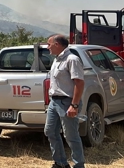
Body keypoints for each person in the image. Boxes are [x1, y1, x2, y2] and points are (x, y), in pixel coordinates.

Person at [44, 34, 85, 168]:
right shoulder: (56, 60)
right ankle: (60, 163)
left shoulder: (72, 59)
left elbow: (79, 83)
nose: (47, 47)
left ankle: (79, 165)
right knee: (50, 131)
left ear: (57, 44)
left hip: (67, 102)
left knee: (71, 136)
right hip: (54, 102)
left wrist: (74, 105)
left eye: (49, 44)